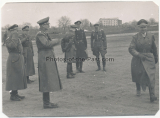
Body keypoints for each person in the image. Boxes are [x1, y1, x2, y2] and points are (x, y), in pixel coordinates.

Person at [128, 19, 158, 102]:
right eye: (141, 27)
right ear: (138, 28)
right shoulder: (135, 37)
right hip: (138, 59)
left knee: (151, 76)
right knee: (139, 75)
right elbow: (131, 48)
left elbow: (154, 48)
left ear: (147, 27)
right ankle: (138, 88)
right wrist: (138, 54)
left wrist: (156, 57)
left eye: (144, 27)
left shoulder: (151, 36)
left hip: (149, 58)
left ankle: (152, 95)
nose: (143, 29)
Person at [36, 17, 62, 109]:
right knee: (45, 79)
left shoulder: (44, 33)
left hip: (46, 57)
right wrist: (57, 40)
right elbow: (47, 44)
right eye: (47, 24)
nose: (49, 25)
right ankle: (46, 103)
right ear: (43, 25)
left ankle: (47, 102)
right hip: (44, 58)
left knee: (47, 80)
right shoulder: (40, 34)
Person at [5, 24, 27, 101]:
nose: (17, 31)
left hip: (18, 58)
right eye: (15, 30)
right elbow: (13, 46)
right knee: (13, 77)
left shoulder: (14, 37)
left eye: (17, 30)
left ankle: (16, 93)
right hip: (13, 59)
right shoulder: (9, 38)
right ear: (11, 31)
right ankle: (13, 95)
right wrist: (14, 36)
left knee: (17, 77)